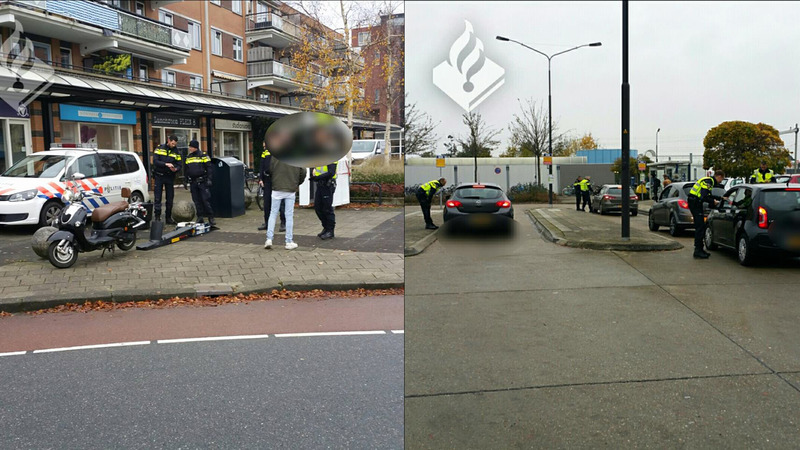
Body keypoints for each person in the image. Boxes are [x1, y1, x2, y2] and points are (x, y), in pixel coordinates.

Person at [264, 156, 306, 250]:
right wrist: (297, 183)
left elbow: (270, 169)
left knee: (273, 213)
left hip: (277, 187)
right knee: (289, 215)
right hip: (291, 188)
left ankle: (269, 239)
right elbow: (303, 172)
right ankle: (288, 241)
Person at [688, 169, 725, 259]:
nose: (721, 181)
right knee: (700, 227)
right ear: (719, 176)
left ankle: (700, 249)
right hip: (695, 203)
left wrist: (719, 197)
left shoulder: (708, 181)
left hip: (695, 202)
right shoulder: (708, 181)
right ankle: (698, 250)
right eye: (722, 179)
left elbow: (707, 195)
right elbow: (704, 196)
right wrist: (713, 201)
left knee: (701, 226)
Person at [184, 140, 216, 228]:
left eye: (191, 147)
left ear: (195, 147)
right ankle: (200, 217)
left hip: (202, 181)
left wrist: (209, 179)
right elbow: (186, 170)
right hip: (193, 182)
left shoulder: (203, 155)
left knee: (205, 200)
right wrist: (185, 179)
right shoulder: (188, 157)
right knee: (196, 201)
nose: (189, 148)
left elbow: (209, 168)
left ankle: (211, 217)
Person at [152, 135, 182, 224]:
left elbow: (179, 165)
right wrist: (166, 164)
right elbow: (155, 161)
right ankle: (157, 217)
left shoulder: (176, 151)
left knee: (170, 198)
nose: (173, 145)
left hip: (169, 176)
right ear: (168, 140)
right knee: (157, 198)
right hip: (159, 176)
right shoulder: (159, 148)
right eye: (172, 143)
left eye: (175, 144)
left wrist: (175, 169)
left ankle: (168, 217)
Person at [257, 148, 286, 232]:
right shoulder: (265, 153)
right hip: (267, 181)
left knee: (281, 203)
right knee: (267, 203)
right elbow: (261, 166)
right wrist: (261, 179)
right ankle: (267, 223)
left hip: (278, 180)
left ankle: (283, 223)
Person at [310, 160, 338, 240]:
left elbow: (331, 172)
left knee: (327, 208)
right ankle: (325, 227)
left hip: (327, 185)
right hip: (320, 184)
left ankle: (330, 231)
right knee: (318, 208)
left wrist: (317, 178)